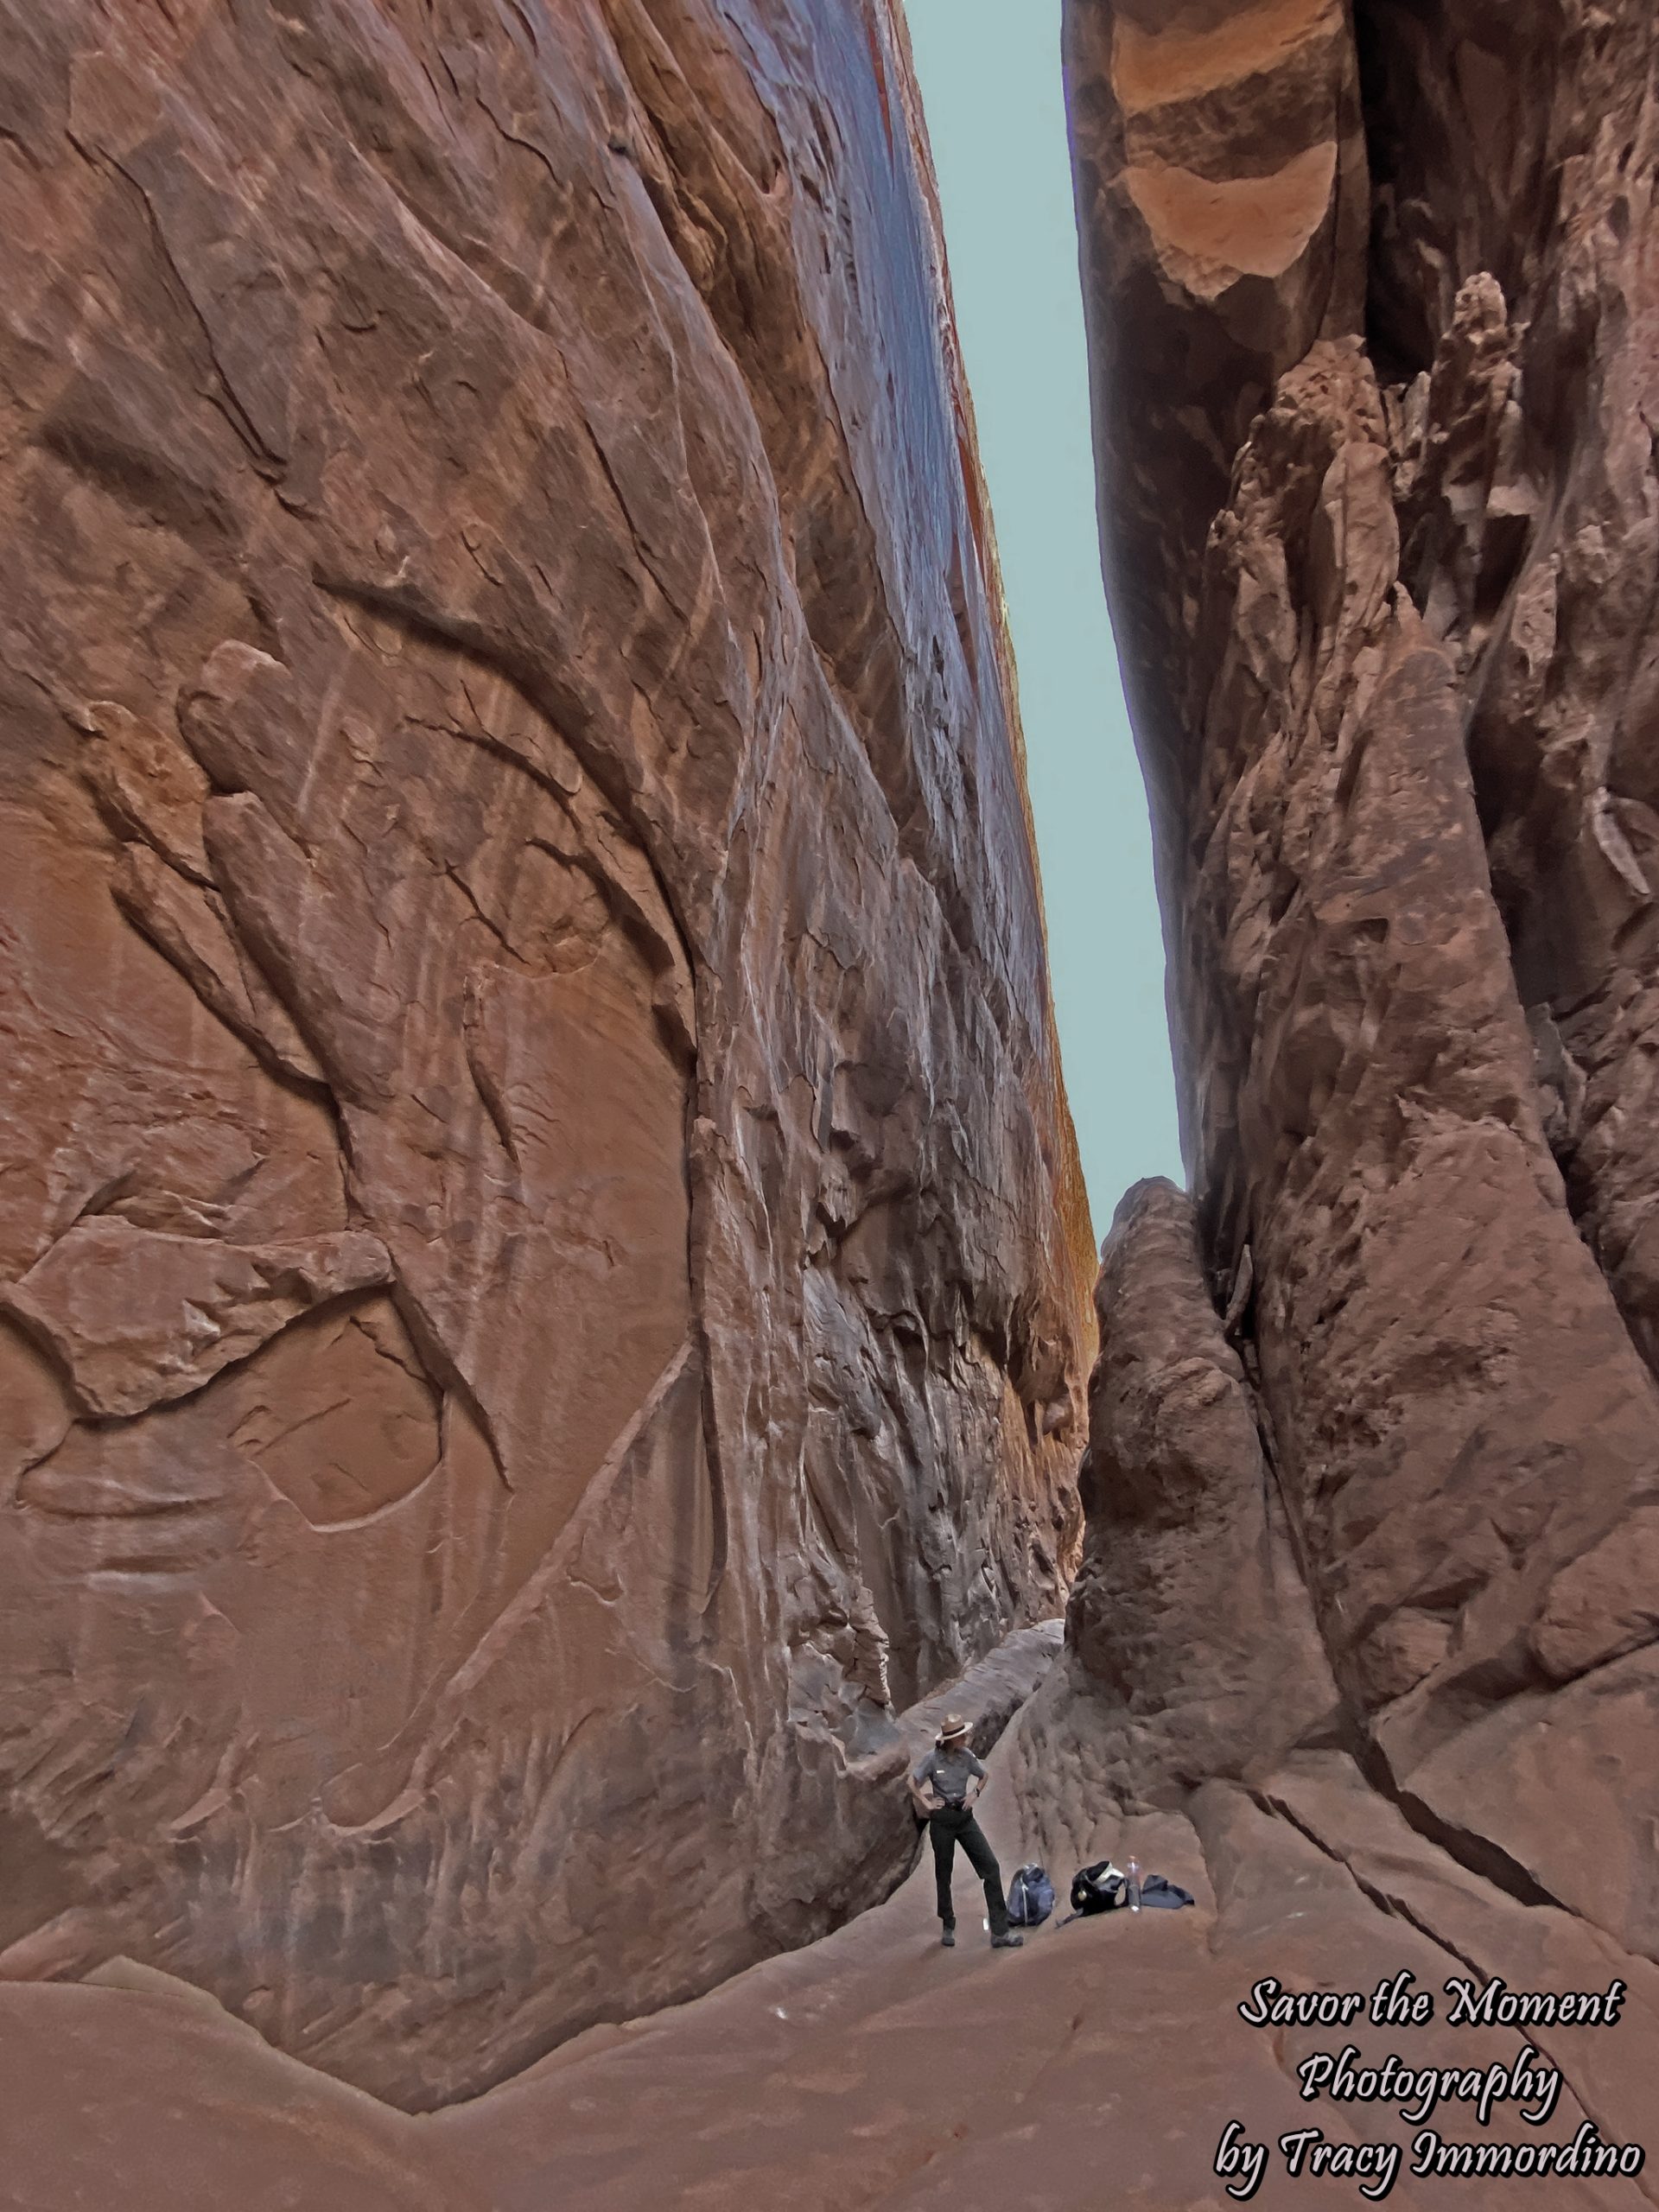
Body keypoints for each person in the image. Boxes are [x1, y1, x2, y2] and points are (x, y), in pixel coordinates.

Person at [909, 1714, 1024, 1950]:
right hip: (942, 1821)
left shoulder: (967, 1757)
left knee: (990, 1867)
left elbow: (984, 1775)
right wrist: (927, 1803)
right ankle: (948, 1923)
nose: (965, 1738)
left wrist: (974, 1794)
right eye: (961, 1735)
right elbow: (912, 1782)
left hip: (964, 1818)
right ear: (950, 1739)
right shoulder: (932, 1760)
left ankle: (1000, 1932)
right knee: (944, 1873)